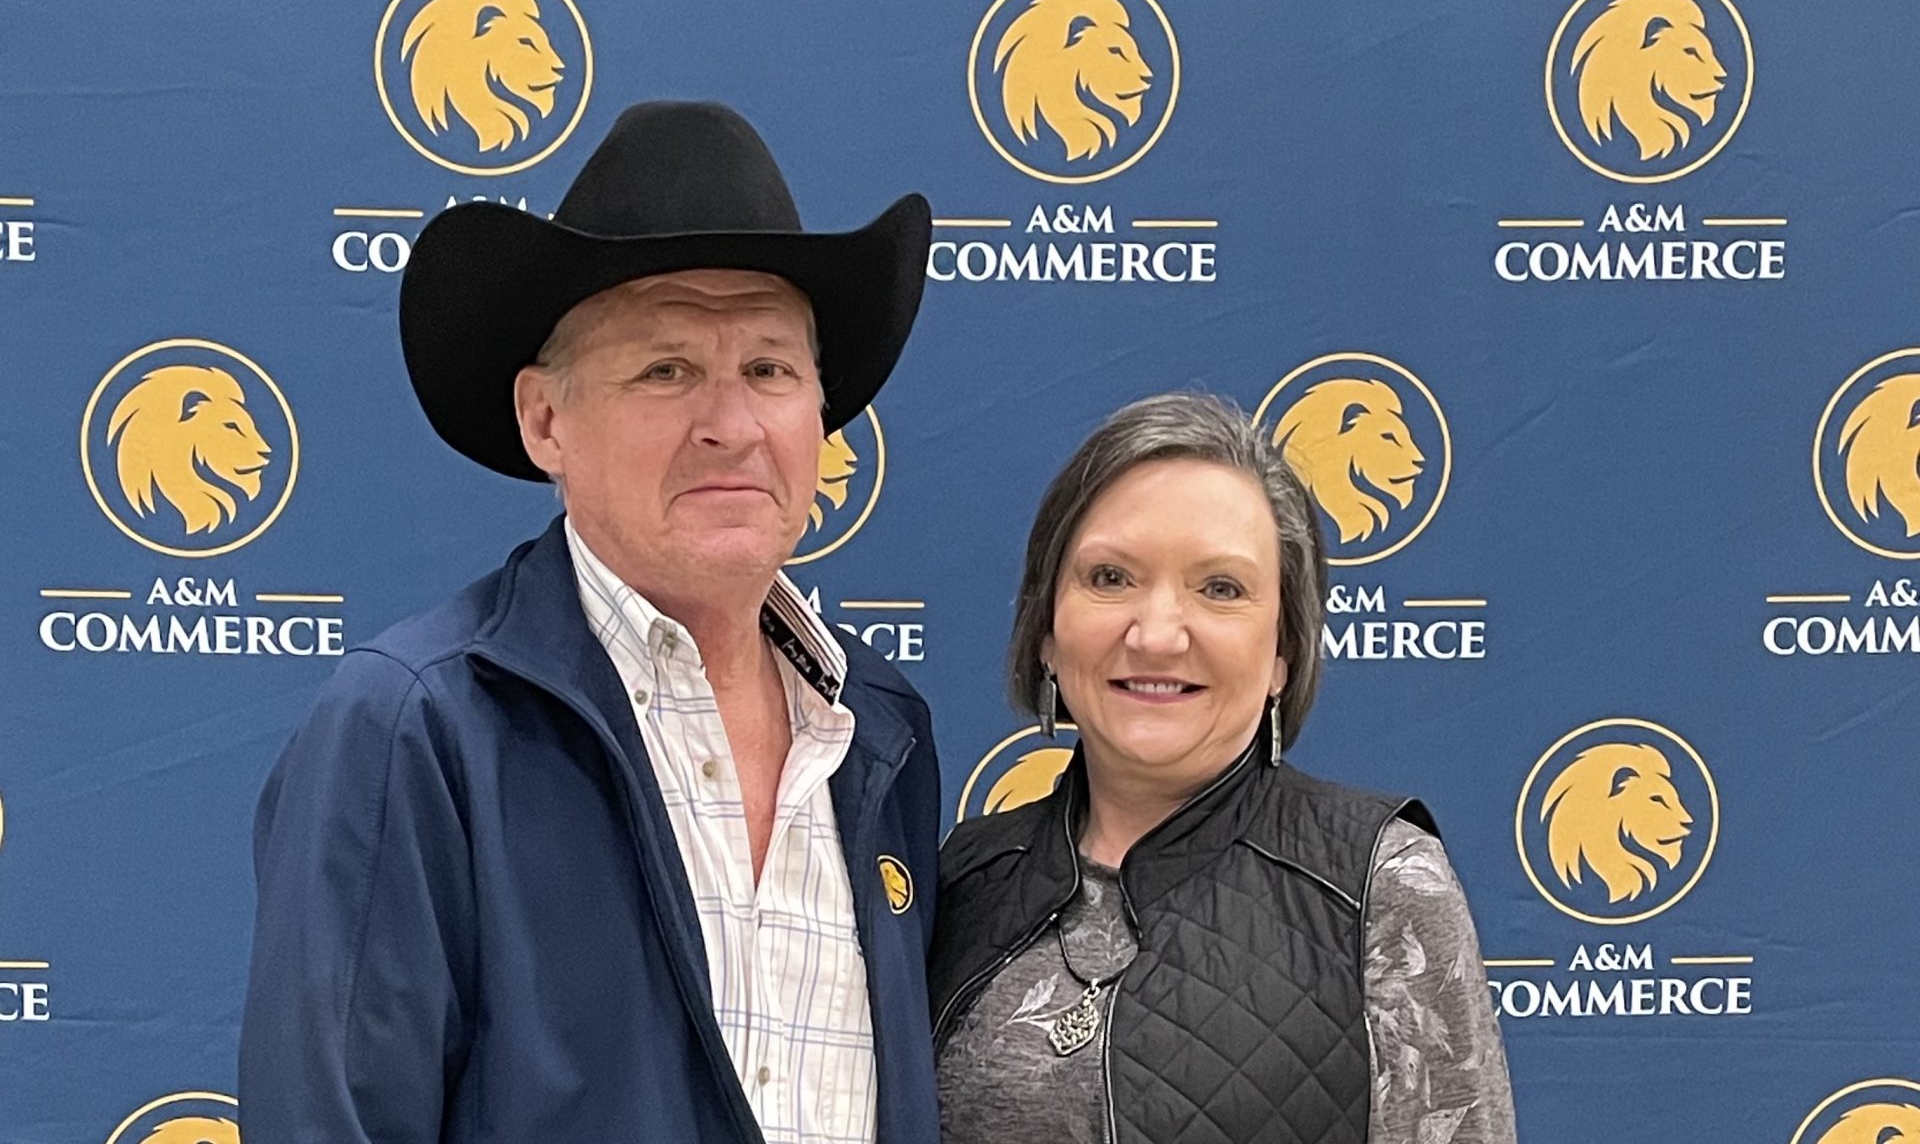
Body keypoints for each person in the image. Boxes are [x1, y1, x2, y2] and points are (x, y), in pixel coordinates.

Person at [239, 101, 944, 1144]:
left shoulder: (881, 731)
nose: (731, 423)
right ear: (547, 419)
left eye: (769, 369)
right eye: (666, 369)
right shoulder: (414, 727)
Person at [929, 392, 1515, 1144]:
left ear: (1282, 653)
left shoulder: (1383, 881)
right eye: (1110, 577)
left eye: (1220, 588)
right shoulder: (963, 879)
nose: (1158, 633)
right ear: (1046, 630)